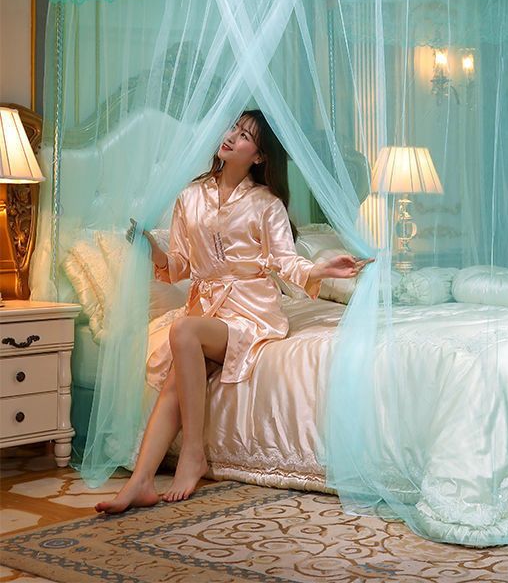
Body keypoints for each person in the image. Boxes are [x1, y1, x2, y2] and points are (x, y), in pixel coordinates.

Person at [96, 110, 369, 514]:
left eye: (244, 136)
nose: (231, 137)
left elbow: (285, 262)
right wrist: (151, 247)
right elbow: (180, 266)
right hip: (206, 309)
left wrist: (321, 269)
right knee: (175, 379)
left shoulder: (267, 204)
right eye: (233, 129)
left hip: (250, 311)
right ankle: (140, 482)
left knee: (184, 332)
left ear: (259, 156)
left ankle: (193, 453)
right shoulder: (191, 196)